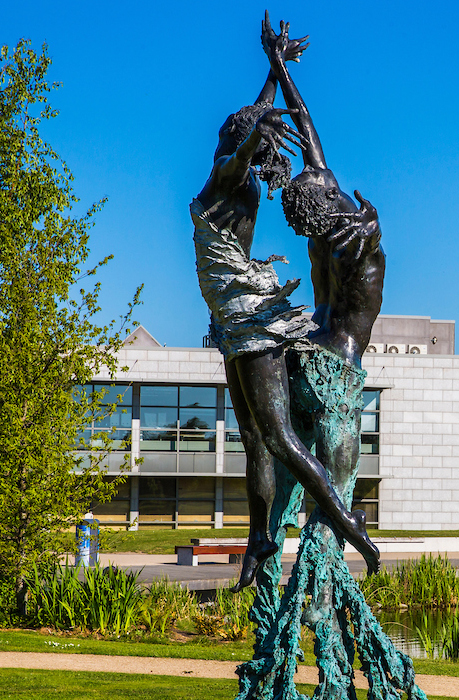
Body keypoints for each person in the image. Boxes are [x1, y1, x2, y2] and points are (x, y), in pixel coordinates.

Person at [190, 35, 380, 592]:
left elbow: (252, 135)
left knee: (275, 437)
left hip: (250, 316)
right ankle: (260, 538)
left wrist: (270, 88)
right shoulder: (230, 173)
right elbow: (254, 133)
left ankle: (345, 522)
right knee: (255, 437)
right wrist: (273, 77)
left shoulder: (235, 173)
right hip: (232, 320)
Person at [260, 14, 386, 538]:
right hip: (338, 367)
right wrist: (375, 227)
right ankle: (324, 568)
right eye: (328, 183)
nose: (328, 175)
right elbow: (370, 240)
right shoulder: (356, 238)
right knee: (334, 499)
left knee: (288, 478)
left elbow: (304, 125)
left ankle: (267, 558)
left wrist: (277, 65)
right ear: (330, 198)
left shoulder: (315, 234)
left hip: (304, 352)